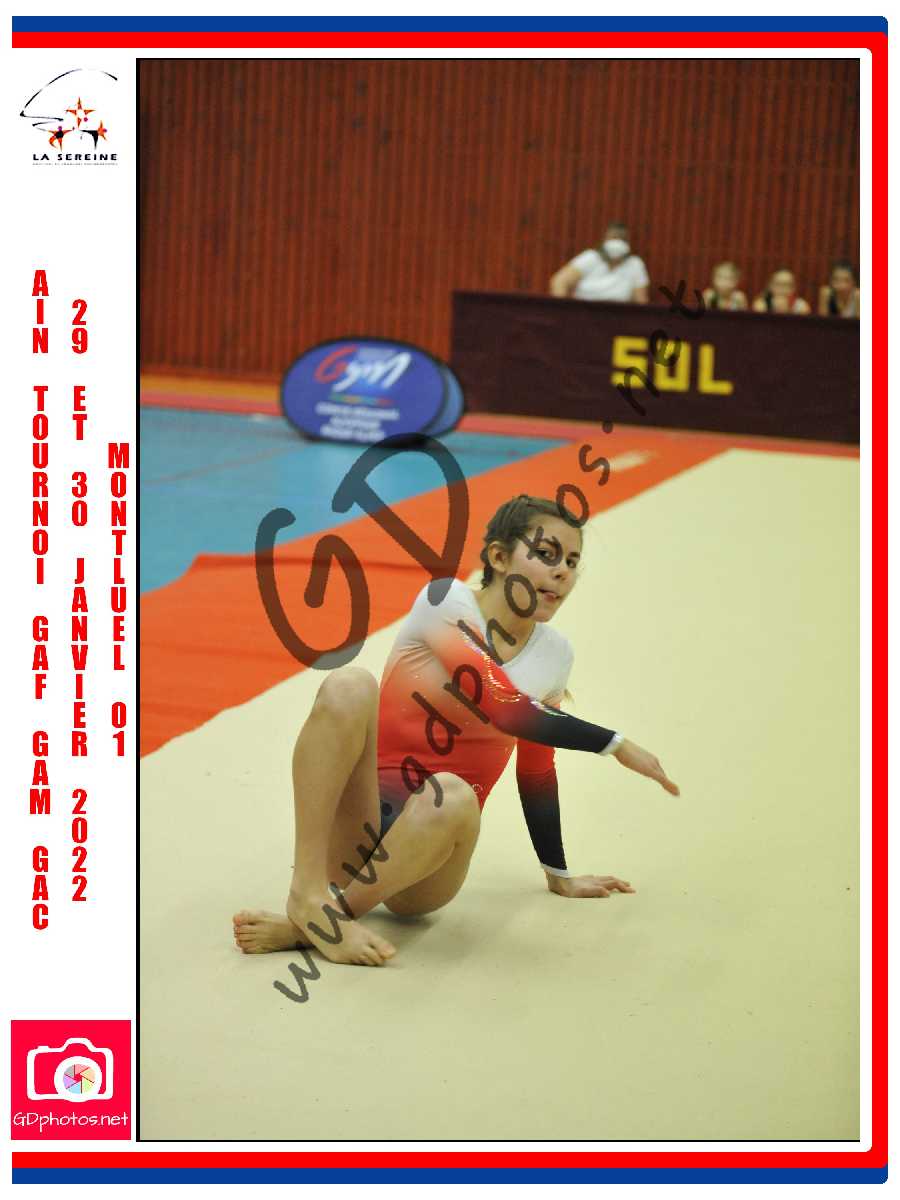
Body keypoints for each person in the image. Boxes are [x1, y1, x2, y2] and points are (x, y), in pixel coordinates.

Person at [234, 495, 679, 966]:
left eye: (572, 561)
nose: (563, 572)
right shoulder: (444, 602)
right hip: (356, 832)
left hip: (429, 862)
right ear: (499, 557)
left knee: (452, 792)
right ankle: (307, 892)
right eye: (547, 555)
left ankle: (314, 925)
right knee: (349, 685)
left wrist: (558, 872)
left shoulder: (555, 655)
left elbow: (535, 769)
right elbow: (502, 707)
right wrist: (616, 744)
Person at [549, 222, 650, 303]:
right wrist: (562, 311)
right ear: (605, 240)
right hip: (584, 313)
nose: (616, 243)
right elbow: (559, 282)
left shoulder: (635, 264)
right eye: (613, 238)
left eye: (621, 239)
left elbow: (641, 300)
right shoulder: (590, 258)